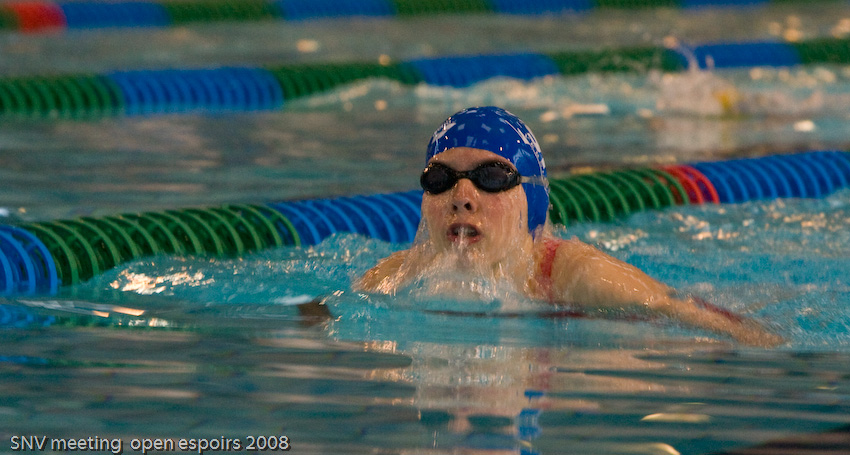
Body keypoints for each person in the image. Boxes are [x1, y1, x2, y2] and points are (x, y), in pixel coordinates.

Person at [357, 106, 782, 347]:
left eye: (491, 177)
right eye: (440, 178)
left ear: (532, 202)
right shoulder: (396, 276)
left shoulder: (577, 276)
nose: (461, 196)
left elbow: (720, 325)